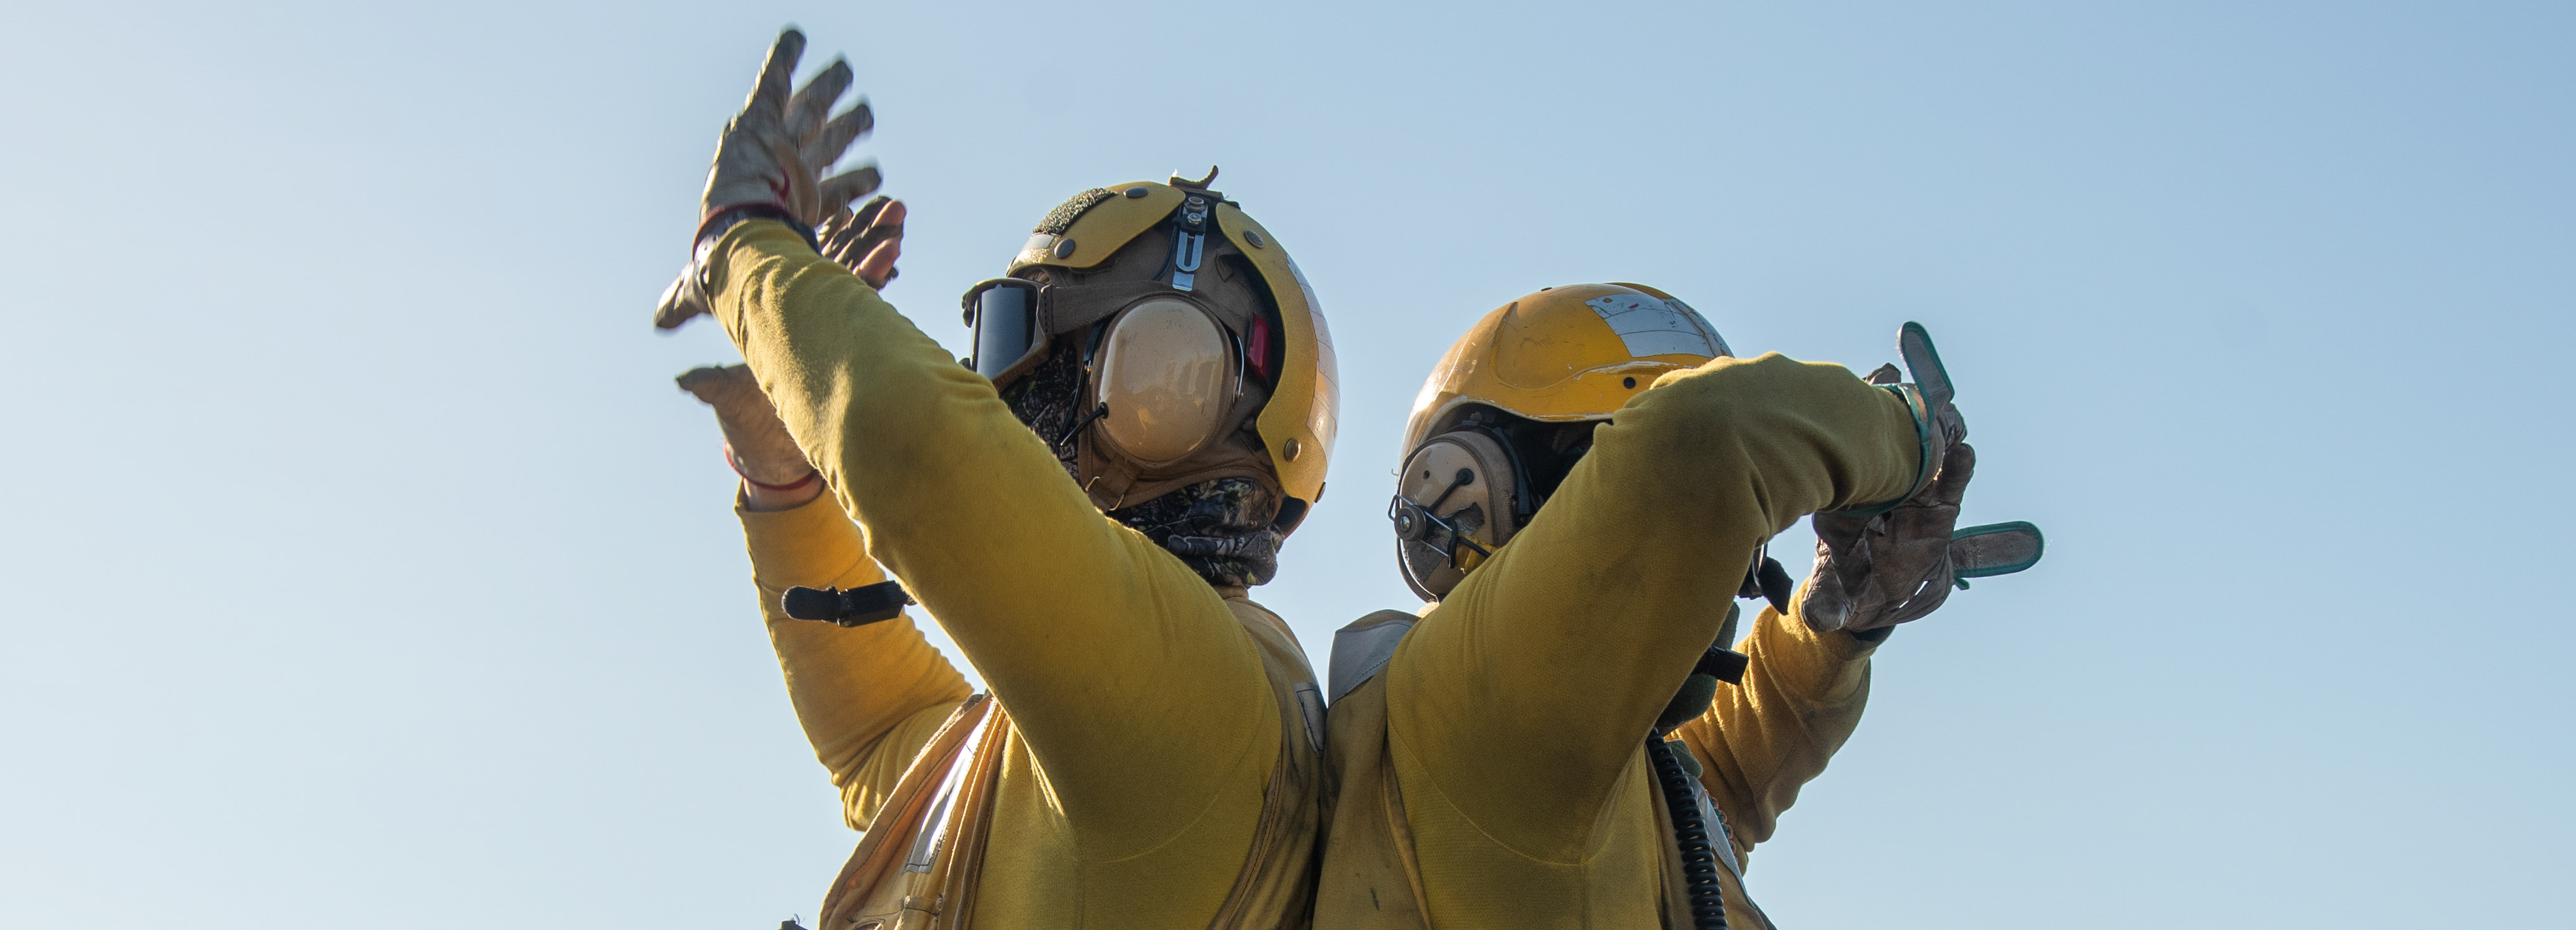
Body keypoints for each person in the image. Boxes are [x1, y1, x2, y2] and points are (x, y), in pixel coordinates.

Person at [656, 29, 1337, 929]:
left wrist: (740, 246)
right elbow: (879, 738)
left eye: (1021, 338)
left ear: (1153, 376)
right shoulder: (1116, 717)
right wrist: (787, 473)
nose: (997, 386)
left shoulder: (1193, 695)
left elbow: (915, 445)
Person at [1315, 283, 1988, 929]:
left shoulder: (1613, 782)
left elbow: (1724, 767)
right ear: (1469, 492)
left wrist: (1834, 628)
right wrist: (1904, 439)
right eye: (1607, 491)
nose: (1707, 559)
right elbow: (1704, 436)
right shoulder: (1470, 712)